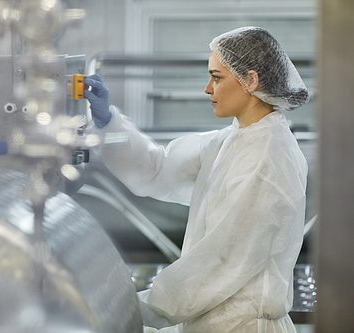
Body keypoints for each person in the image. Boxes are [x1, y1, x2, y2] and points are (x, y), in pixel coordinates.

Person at [84, 27, 309, 333]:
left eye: (217, 77)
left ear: (251, 80)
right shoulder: (234, 139)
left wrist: (133, 308)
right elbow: (157, 167)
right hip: (214, 320)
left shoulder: (267, 158)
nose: (207, 88)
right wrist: (107, 122)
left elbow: (223, 260)